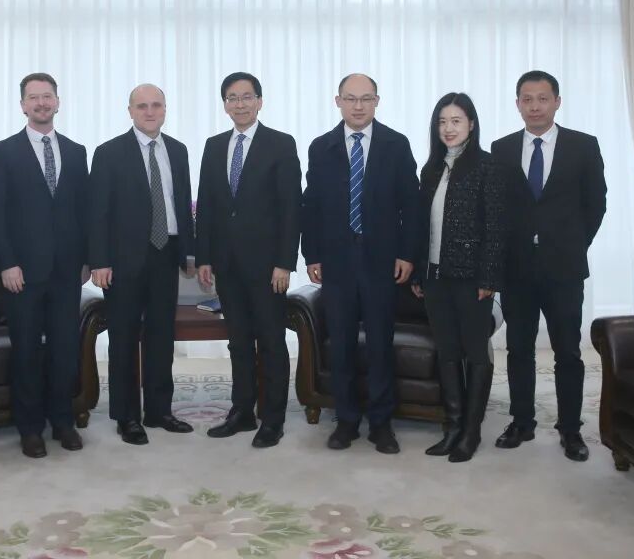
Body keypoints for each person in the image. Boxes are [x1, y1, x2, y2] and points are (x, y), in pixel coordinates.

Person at [490, 70, 607, 462]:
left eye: (542, 98)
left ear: (557, 102)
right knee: (519, 349)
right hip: (517, 268)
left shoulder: (583, 146)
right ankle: (521, 422)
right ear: (517, 104)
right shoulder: (502, 149)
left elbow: (596, 203)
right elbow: (498, 209)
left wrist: (572, 244)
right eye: (527, 99)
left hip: (564, 268)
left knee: (568, 352)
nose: (535, 106)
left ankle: (571, 429)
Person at [301, 73, 419, 454]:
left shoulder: (396, 145)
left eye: (366, 98)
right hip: (336, 263)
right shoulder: (322, 147)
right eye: (350, 98)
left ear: (377, 101)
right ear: (338, 101)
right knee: (341, 346)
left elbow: (411, 205)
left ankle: (382, 424)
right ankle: (346, 421)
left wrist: (407, 254)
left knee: (381, 344)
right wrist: (312, 254)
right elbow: (311, 205)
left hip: (382, 262)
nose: (358, 106)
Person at [0, 73, 89, 459]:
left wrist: (87, 259)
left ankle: (62, 421)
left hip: (66, 272)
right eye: (34, 97)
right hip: (22, 274)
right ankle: (29, 428)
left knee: (64, 350)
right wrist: (7, 263)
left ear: (58, 102)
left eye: (47, 96)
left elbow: (84, 211)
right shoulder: (3, 152)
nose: (41, 103)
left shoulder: (76, 152)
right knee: (26, 351)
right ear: (23, 105)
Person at [195, 72, 302, 449]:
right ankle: (241, 411)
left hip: (268, 266)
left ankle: (272, 419)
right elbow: (207, 204)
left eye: (246, 97)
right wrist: (204, 257)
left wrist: (284, 263)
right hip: (226, 264)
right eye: (232, 98)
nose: (239, 104)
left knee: (271, 341)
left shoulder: (281, 144)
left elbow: (291, 208)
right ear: (225, 105)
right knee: (238, 342)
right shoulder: (213, 146)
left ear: (259, 101)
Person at [88, 84, 196, 445]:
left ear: (165, 109)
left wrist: (189, 253)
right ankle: (127, 416)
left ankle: (159, 410)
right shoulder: (109, 153)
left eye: (156, 105)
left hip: (166, 255)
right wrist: (99, 260)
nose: (150, 112)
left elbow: (182, 203)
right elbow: (97, 212)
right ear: (130, 111)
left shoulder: (177, 150)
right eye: (142, 106)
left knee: (161, 337)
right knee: (123, 339)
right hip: (123, 261)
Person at [412, 92, 505, 463]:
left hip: (472, 278)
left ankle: (471, 431)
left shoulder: (487, 166)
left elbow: (496, 227)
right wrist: (420, 270)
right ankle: (452, 427)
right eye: (442, 122)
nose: (448, 128)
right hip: (435, 276)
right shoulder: (431, 169)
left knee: (475, 352)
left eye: (456, 121)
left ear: (471, 124)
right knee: (447, 351)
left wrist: (489, 278)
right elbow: (422, 226)